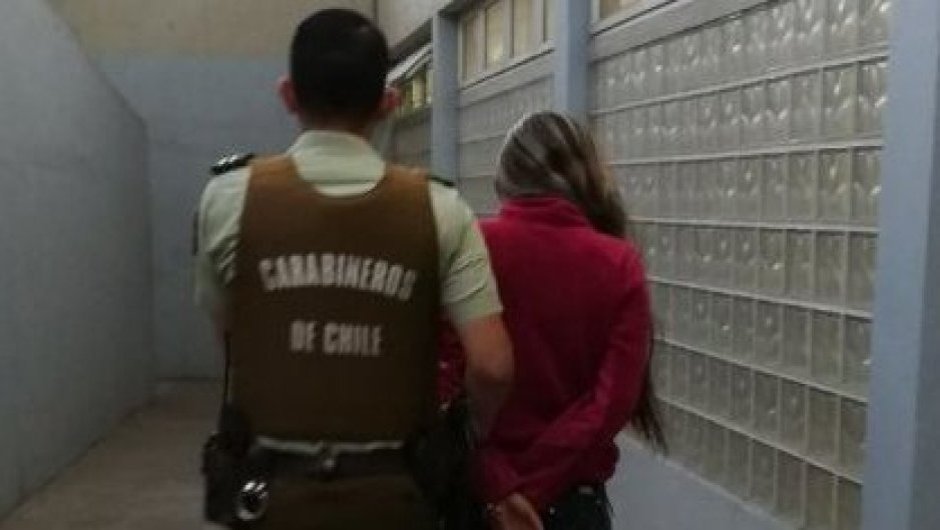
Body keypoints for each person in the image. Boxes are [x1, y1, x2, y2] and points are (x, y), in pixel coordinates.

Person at [193, 9, 513, 529]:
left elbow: (232, 336)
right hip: (396, 499)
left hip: (270, 499)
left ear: (288, 95)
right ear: (388, 103)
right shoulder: (439, 210)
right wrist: (464, 438)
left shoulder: (230, 199)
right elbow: (493, 366)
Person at [444, 111, 666, 530]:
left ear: (504, 179)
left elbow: (448, 384)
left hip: (477, 502)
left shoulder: (474, 248)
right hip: (574, 504)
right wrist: (536, 488)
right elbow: (611, 404)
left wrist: (499, 484)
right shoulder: (619, 263)